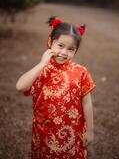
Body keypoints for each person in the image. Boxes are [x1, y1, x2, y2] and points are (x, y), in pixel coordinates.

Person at [16, 17, 96, 159]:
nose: (64, 52)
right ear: (50, 42)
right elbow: (20, 86)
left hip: (73, 133)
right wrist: (41, 64)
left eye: (71, 49)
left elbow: (87, 103)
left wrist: (90, 130)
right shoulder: (42, 71)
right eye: (60, 45)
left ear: (75, 51)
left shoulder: (81, 72)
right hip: (44, 133)